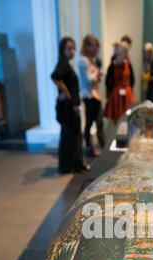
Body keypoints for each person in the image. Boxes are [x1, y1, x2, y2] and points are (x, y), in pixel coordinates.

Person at [51, 37, 90, 173]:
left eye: (73, 48)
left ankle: (71, 166)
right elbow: (55, 77)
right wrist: (66, 92)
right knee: (72, 137)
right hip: (68, 108)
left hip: (68, 106)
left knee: (71, 137)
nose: (72, 51)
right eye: (69, 48)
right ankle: (75, 165)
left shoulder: (66, 64)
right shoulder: (62, 64)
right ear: (63, 50)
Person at [78, 34, 105, 157]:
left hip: (95, 95)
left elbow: (95, 80)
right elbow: (89, 79)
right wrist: (98, 73)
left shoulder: (91, 60)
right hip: (89, 96)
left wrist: (98, 74)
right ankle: (89, 148)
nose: (96, 49)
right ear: (87, 46)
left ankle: (103, 148)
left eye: (97, 46)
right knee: (90, 123)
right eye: (94, 46)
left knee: (99, 123)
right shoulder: (83, 60)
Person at [104, 42, 135, 122]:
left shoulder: (128, 65)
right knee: (117, 120)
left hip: (127, 94)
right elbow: (108, 82)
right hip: (116, 96)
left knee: (128, 117)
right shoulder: (112, 66)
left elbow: (132, 80)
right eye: (124, 52)